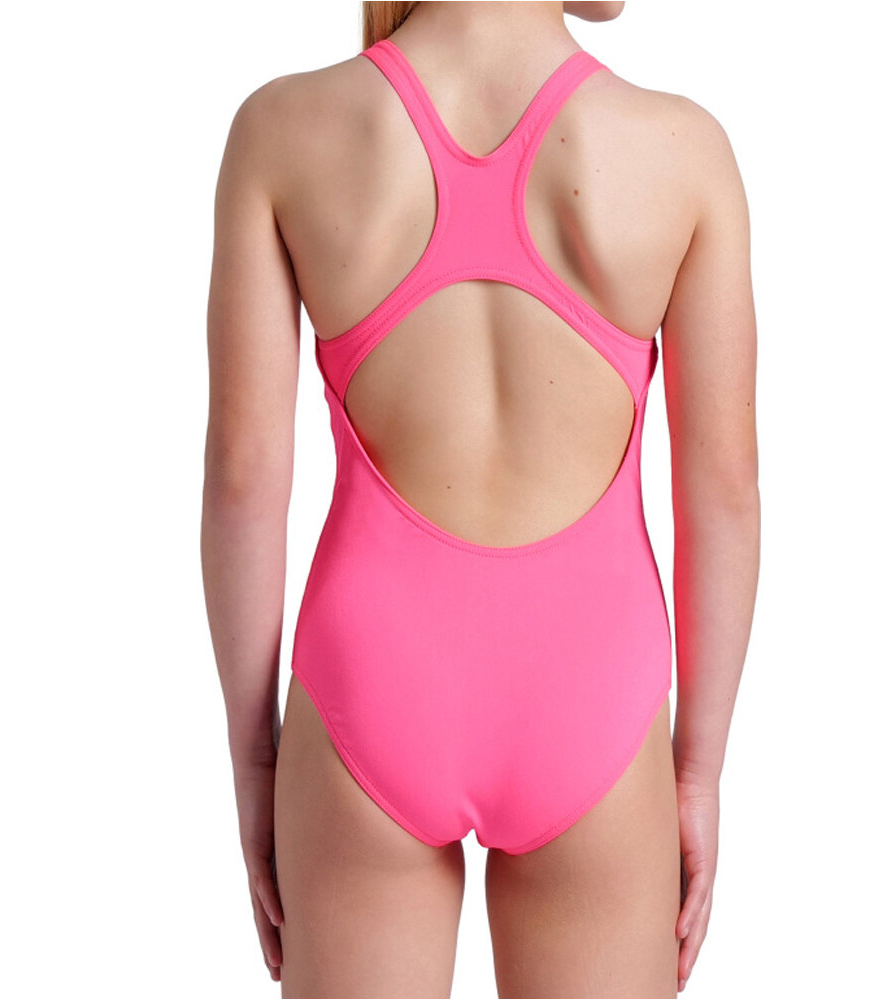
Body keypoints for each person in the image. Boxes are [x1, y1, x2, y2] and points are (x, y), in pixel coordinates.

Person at [200, 1, 759, 996]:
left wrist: (255, 760)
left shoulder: (283, 130)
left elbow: (245, 476)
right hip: (593, 692)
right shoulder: (682, 153)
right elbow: (723, 494)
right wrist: (696, 773)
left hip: (370, 682)